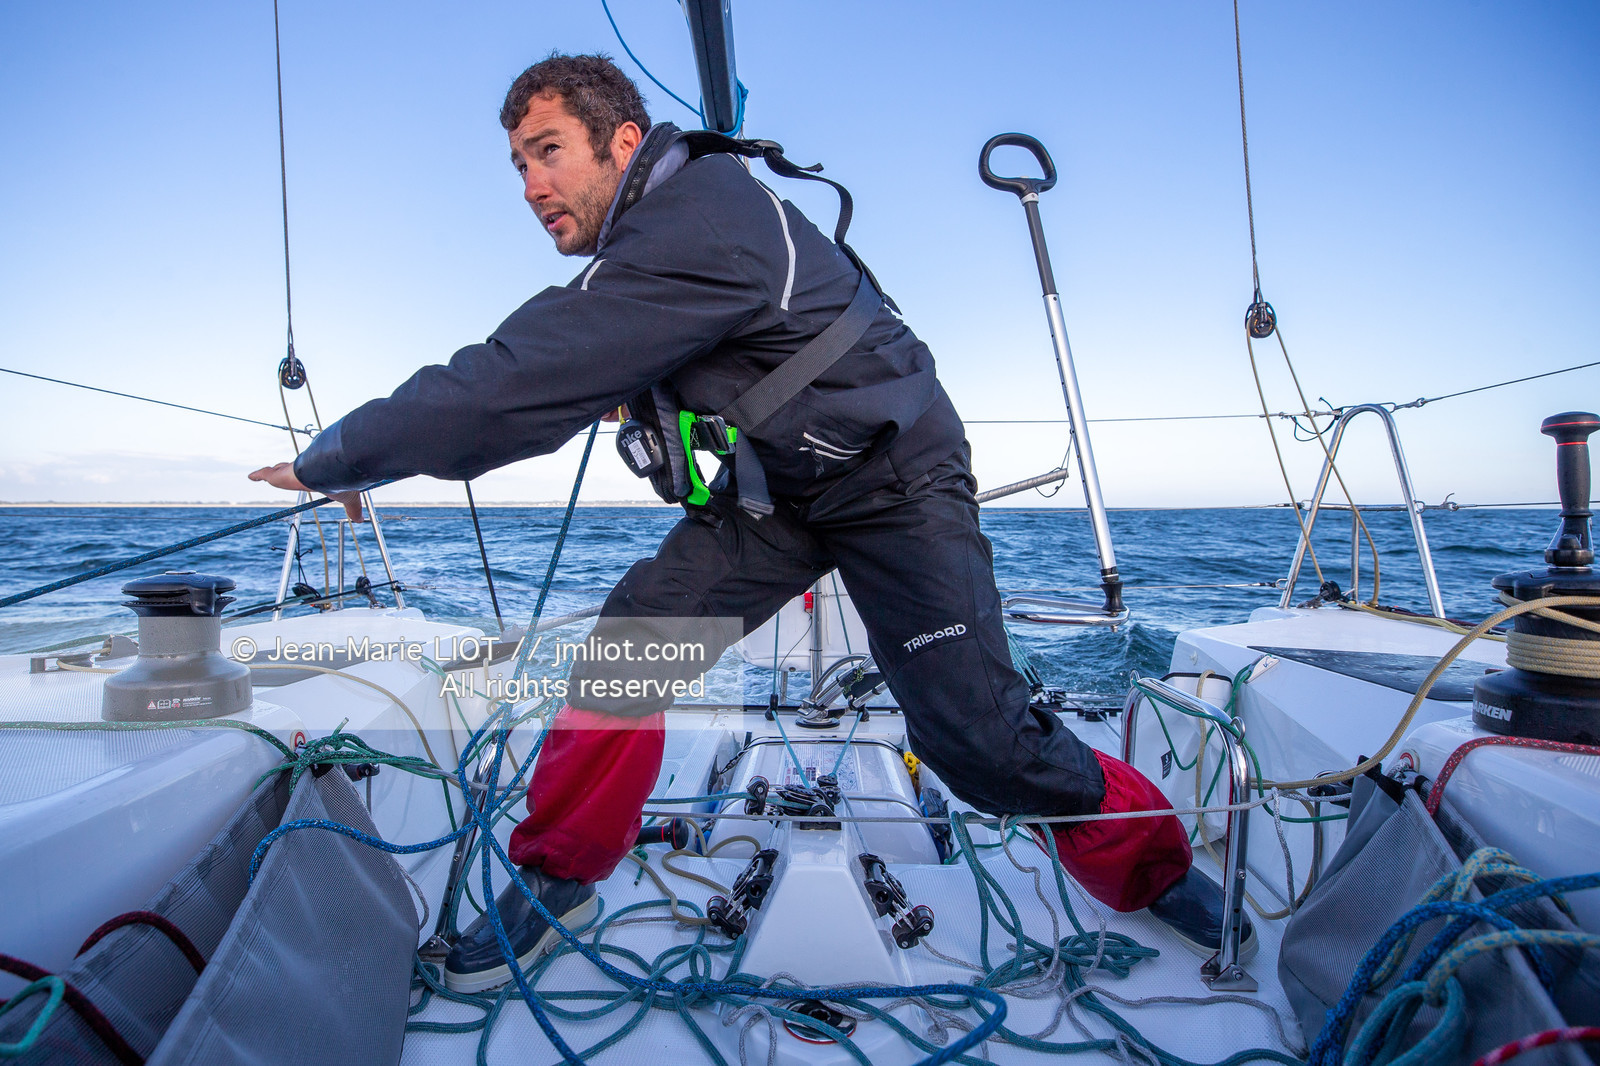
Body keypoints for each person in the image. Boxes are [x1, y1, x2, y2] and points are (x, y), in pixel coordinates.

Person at [250, 53, 1250, 994]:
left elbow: (511, 380)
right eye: (516, 163)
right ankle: (563, 873)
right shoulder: (663, 244)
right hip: (774, 496)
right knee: (624, 658)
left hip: (893, 479)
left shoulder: (703, 220)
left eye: (548, 151)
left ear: (624, 142)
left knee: (982, 744)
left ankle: (1151, 865)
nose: (528, 184)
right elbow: (600, 369)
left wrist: (335, 458)